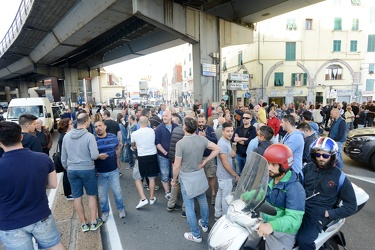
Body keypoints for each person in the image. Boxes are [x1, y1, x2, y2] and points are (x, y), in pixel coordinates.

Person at [0, 121, 65, 250]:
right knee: (55, 246)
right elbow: (52, 184)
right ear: (21, 137)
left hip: (10, 222)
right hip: (41, 216)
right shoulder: (43, 158)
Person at [296, 137, 357, 249]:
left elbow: (352, 206)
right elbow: (295, 187)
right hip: (300, 207)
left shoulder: (340, 177)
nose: (321, 158)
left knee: (304, 240)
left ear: (332, 156)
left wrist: (329, 213)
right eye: (318, 155)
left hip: (318, 214)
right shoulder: (307, 168)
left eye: (325, 156)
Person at [172, 117, 221, 243]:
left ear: (184, 127)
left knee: (189, 206)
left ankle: (196, 235)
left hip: (186, 176)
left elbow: (177, 165)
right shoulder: (202, 139)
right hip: (199, 174)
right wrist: (205, 160)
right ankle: (204, 224)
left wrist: (174, 179)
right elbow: (217, 149)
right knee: (202, 200)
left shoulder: (181, 143)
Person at [256, 144, 305, 249]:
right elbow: (262, 193)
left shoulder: (295, 189)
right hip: (264, 224)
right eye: (267, 163)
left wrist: (271, 225)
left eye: (273, 164)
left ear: (284, 166)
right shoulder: (271, 178)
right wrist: (245, 196)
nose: (268, 167)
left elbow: (294, 219)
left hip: (282, 233)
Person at [61, 113, 103, 232]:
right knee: (91, 195)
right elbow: (94, 155)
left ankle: (84, 223)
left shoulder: (67, 136)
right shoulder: (89, 136)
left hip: (72, 170)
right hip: (87, 169)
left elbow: (63, 157)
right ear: (86, 122)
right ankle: (94, 222)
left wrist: (68, 167)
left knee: (77, 197)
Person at [94, 120, 126, 222]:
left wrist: (118, 159)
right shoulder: (93, 140)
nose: (98, 128)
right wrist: (98, 157)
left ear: (105, 127)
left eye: (100, 126)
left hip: (113, 170)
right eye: (96, 127)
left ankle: (121, 209)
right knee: (102, 195)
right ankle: (105, 212)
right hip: (100, 172)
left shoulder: (113, 137)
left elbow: (117, 147)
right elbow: (90, 155)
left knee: (117, 192)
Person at [131, 116, 160, 209]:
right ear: (148, 122)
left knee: (137, 178)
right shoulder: (152, 131)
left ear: (139, 122)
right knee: (151, 178)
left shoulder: (134, 133)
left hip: (141, 157)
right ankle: (151, 198)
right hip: (152, 156)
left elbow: (133, 146)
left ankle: (143, 199)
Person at [214, 122, 239, 220]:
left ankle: (217, 214)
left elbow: (231, 153)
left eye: (232, 131)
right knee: (226, 199)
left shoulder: (225, 141)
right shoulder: (223, 143)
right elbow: (225, 163)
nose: (230, 133)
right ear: (223, 131)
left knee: (219, 195)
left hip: (221, 175)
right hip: (225, 176)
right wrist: (235, 175)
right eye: (228, 131)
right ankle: (224, 219)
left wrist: (232, 153)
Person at [155, 109, 178, 200]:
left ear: (171, 117)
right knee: (164, 174)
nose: (164, 117)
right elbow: (157, 142)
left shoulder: (176, 127)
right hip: (163, 156)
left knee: (174, 174)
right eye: (163, 116)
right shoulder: (159, 128)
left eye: (166, 116)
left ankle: (174, 192)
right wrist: (164, 152)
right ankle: (167, 192)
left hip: (175, 156)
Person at [196, 114, 218, 205]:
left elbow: (215, 140)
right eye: (199, 122)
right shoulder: (195, 129)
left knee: (211, 176)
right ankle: (202, 194)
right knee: (200, 177)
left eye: (202, 121)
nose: (201, 124)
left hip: (209, 156)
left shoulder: (210, 129)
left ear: (205, 121)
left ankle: (213, 194)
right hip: (198, 157)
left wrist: (206, 137)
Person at [167, 114, 185, 212]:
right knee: (183, 184)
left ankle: (171, 204)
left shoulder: (175, 130)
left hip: (174, 160)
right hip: (181, 161)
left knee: (175, 182)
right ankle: (185, 208)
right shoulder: (184, 132)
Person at [58, 118, 74, 200]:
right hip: (66, 159)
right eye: (71, 124)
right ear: (66, 125)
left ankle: (69, 192)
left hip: (66, 158)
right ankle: (68, 193)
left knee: (67, 176)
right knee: (66, 176)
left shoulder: (65, 135)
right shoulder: (64, 136)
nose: (72, 125)